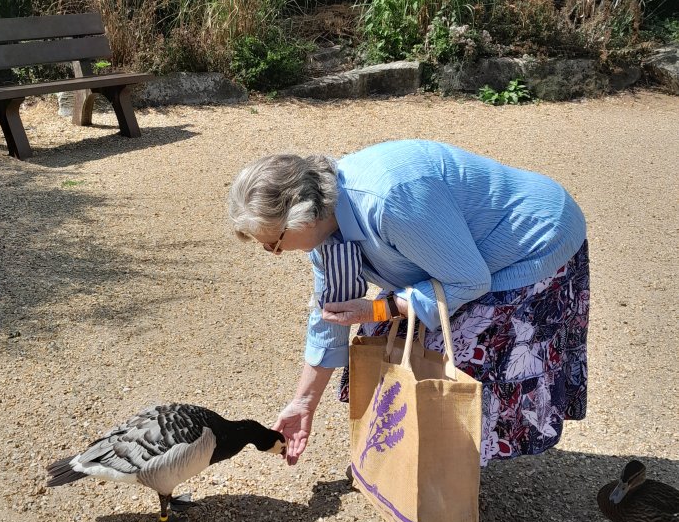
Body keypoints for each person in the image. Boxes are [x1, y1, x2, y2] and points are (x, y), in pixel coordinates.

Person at [227, 140, 589, 468]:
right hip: (465, 262)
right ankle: (431, 458)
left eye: (274, 244)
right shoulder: (324, 233)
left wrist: (381, 308)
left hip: (532, 241)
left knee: (460, 347)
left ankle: (453, 474)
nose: (273, 253)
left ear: (302, 216)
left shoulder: (391, 201)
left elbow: (468, 280)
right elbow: (329, 316)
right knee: (389, 336)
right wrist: (304, 403)